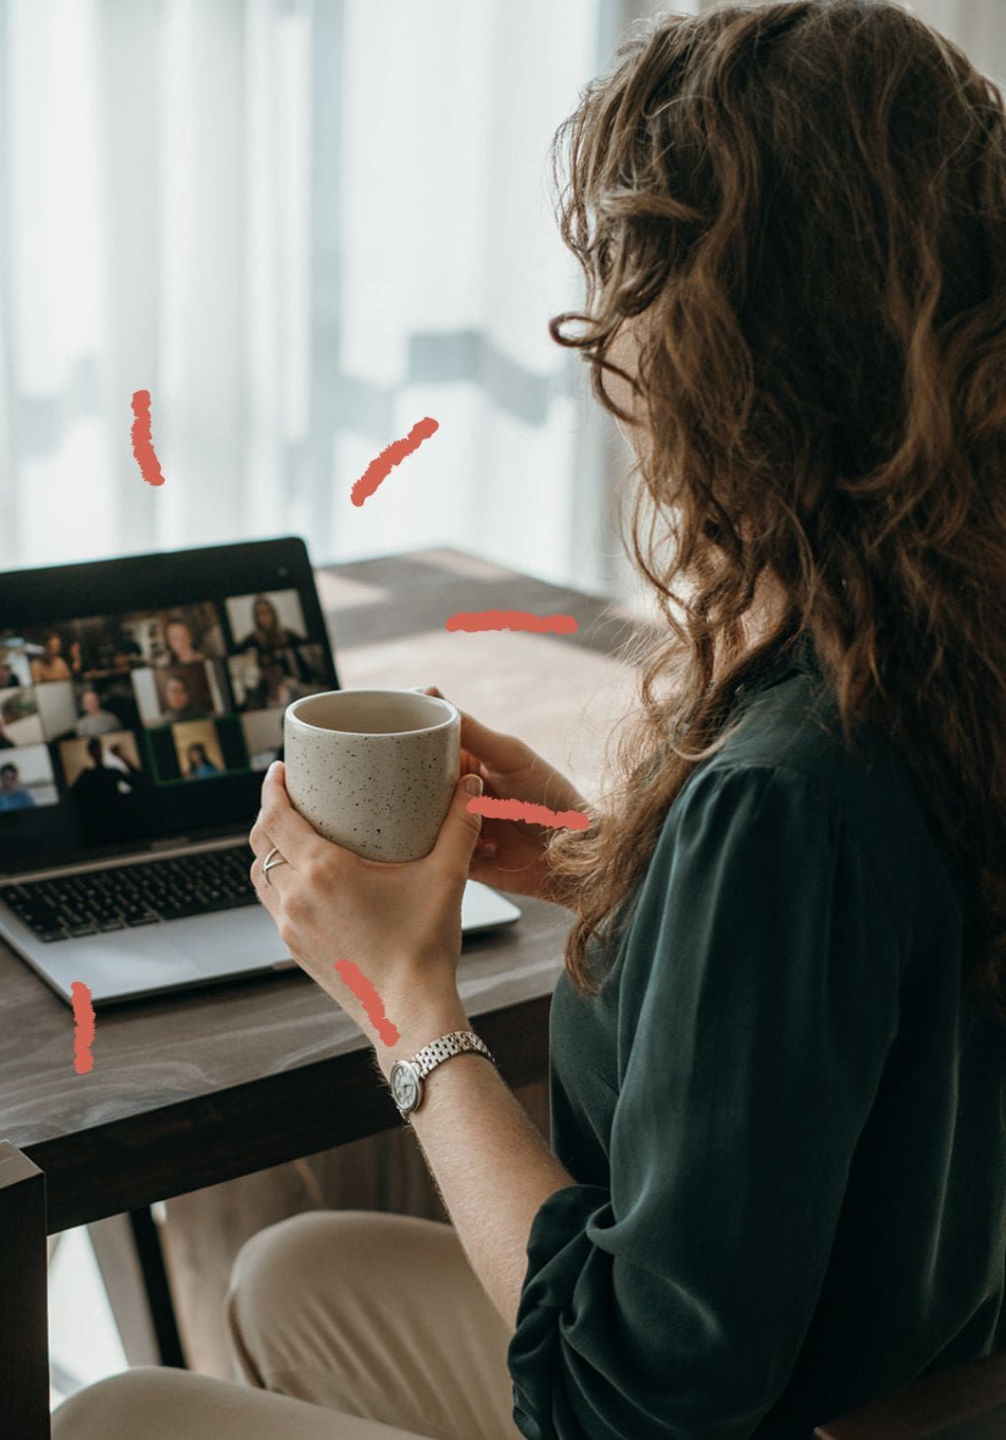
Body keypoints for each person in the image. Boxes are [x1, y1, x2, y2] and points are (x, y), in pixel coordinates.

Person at [51, 5, 1006, 1439]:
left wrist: (409, 1010)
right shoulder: (939, 652)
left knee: (116, 1418)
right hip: (913, 1360)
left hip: (735, 1410)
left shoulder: (789, 790)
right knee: (296, 1269)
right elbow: (858, 986)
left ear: (724, 350)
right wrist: (602, 860)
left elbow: (618, 1399)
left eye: (628, 291)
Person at [227, 596, 314, 682]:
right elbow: (233, 653)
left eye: (266, 612)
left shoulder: (287, 635)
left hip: (293, 683)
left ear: (273, 613)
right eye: (259, 614)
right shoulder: (252, 639)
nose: (263, 618)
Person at [70, 737, 144, 805]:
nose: (98, 753)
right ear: (91, 753)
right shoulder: (87, 775)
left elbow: (137, 782)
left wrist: (121, 757)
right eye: (95, 750)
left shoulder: (111, 772)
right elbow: (73, 795)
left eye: (98, 750)